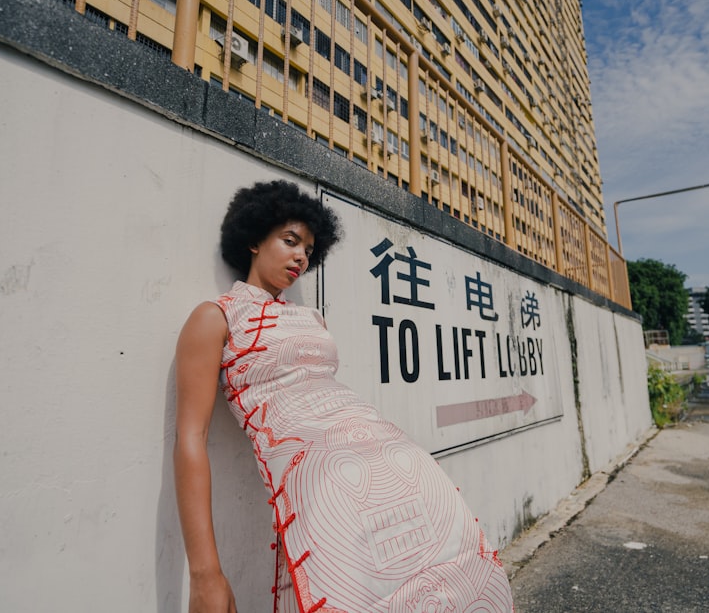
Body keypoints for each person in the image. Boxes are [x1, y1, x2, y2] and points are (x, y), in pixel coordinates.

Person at [174, 180, 514, 613]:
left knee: (452, 564)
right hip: (325, 483)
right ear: (254, 239)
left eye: (309, 250)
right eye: (290, 241)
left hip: (395, 462)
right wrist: (206, 573)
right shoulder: (215, 316)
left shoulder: (311, 318)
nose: (301, 256)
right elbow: (190, 437)